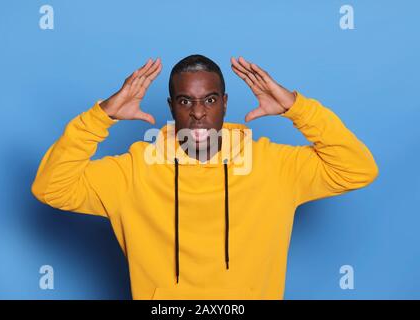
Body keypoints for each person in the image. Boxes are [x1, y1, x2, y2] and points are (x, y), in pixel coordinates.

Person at [31, 54, 379, 300]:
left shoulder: (272, 165)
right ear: (171, 106)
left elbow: (357, 168)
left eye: (209, 100)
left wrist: (297, 109)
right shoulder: (134, 171)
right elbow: (52, 187)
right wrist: (101, 117)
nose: (198, 113)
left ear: (225, 103)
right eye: (186, 102)